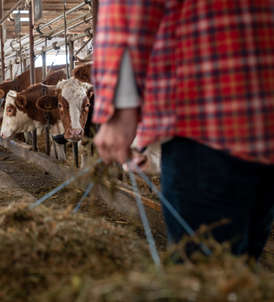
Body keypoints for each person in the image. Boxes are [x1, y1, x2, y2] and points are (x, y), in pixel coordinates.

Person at [93, 0, 274, 259]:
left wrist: (119, 108)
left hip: (203, 118)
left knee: (204, 276)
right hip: (259, 119)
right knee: (242, 268)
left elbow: (128, 8)